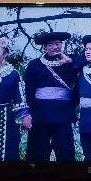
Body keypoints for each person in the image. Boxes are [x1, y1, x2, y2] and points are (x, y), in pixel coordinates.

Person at [24, 31, 79, 161]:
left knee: (65, 151)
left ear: (62, 44)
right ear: (44, 47)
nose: (54, 47)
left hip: (63, 114)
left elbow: (86, 62)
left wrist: (71, 61)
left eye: (57, 43)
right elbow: (28, 91)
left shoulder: (71, 61)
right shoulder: (34, 64)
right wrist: (28, 113)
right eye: (50, 45)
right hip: (40, 114)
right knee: (37, 152)